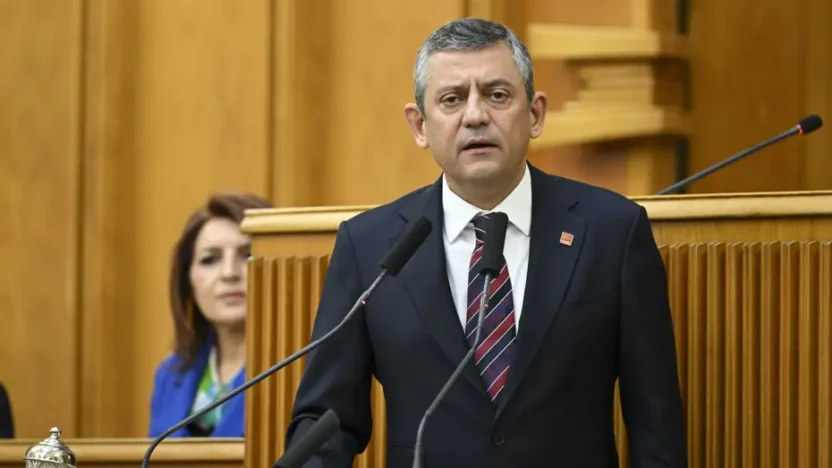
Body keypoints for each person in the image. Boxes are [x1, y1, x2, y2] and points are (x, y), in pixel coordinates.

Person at [285, 18, 687, 467]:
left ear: (534, 114)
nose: (475, 116)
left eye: (497, 95)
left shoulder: (612, 232)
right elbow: (329, 419)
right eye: (452, 99)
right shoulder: (370, 247)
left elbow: (656, 422)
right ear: (419, 126)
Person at [148, 192, 272, 438]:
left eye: (248, 255)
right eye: (210, 259)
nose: (229, 273)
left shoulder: (302, 372)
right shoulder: (170, 375)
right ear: (188, 280)